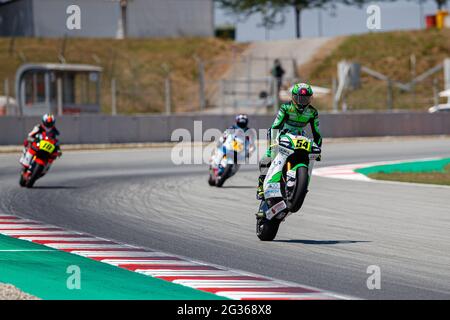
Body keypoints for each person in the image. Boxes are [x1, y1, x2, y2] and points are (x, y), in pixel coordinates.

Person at [256, 83, 322, 200]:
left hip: (300, 136)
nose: (302, 102)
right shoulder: (285, 108)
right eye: (299, 98)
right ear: (293, 97)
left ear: (310, 99)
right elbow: (275, 126)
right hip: (282, 134)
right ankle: (261, 186)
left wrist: (318, 150)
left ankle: (303, 184)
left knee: (310, 154)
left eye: (305, 98)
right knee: (266, 158)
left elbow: (316, 133)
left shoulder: (312, 112)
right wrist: (273, 144)